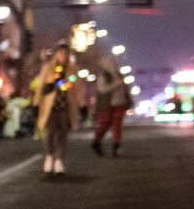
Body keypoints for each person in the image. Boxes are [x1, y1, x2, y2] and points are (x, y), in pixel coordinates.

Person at [30, 43, 81, 177]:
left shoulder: (72, 69)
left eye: (65, 53)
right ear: (56, 54)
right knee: (50, 133)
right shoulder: (48, 68)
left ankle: (59, 160)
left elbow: (77, 88)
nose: (63, 56)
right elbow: (40, 87)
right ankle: (49, 155)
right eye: (61, 53)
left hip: (65, 107)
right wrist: (36, 104)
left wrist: (83, 105)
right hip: (50, 107)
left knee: (63, 134)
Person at [90, 53, 133, 156]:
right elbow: (102, 89)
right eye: (114, 63)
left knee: (117, 126)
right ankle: (96, 141)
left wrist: (128, 101)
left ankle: (116, 146)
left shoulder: (120, 75)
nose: (117, 65)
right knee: (104, 125)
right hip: (107, 105)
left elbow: (125, 89)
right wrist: (115, 84)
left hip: (119, 104)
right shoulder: (104, 76)